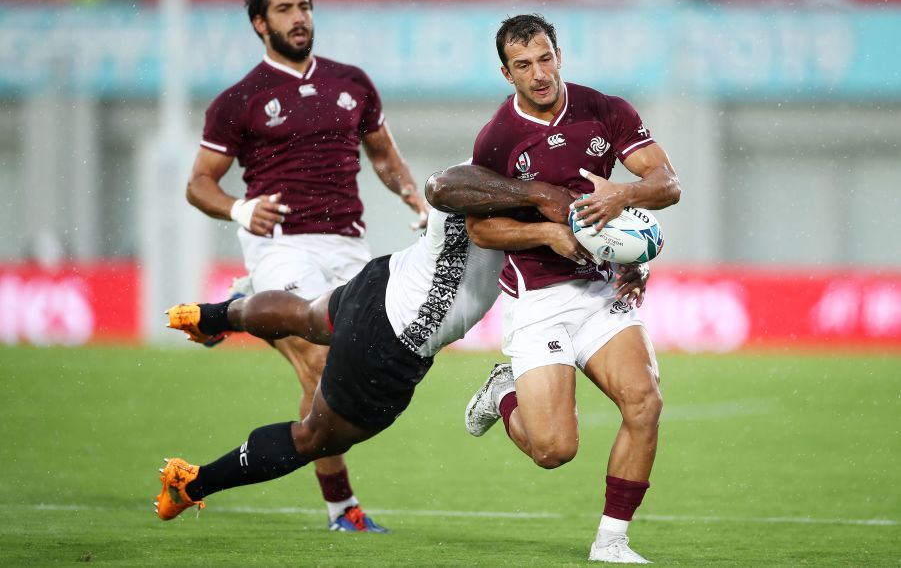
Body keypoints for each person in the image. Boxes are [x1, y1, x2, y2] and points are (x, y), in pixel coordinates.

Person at [155, 165, 651, 533]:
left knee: (307, 315)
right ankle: (193, 483)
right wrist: (540, 200)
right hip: (391, 345)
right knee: (314, 439)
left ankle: (211, 316)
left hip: (383, 283)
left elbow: (609, 233)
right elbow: (440, 187)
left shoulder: (524, 178)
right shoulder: (494, 180)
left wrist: (629, 260)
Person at [184, 0, 430, 532]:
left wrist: (412, 194)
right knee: (319, 359)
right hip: (281, 243)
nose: (300, 17)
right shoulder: (239, 100)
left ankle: (249, 303)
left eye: (305, 7)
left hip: (348, 244)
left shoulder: (353, 83)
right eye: (286, 9)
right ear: (259, 23)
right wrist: (239, 210)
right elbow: (198, 184)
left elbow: (384, 157)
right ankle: (343, 509)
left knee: (351, 368)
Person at [462, 14, 681, 564]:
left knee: (645, 402)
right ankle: (501, 393)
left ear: (559, 55)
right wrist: (545, 233)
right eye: (523, 65)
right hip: (538, 298)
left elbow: (668, 184)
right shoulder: (497, 139)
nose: (538, 74)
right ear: (505, 72)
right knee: (554, 450)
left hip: (602, 292)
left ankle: (612, 541)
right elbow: (481, 229)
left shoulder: (606, 110)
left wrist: (622, 196)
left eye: (544, 58)